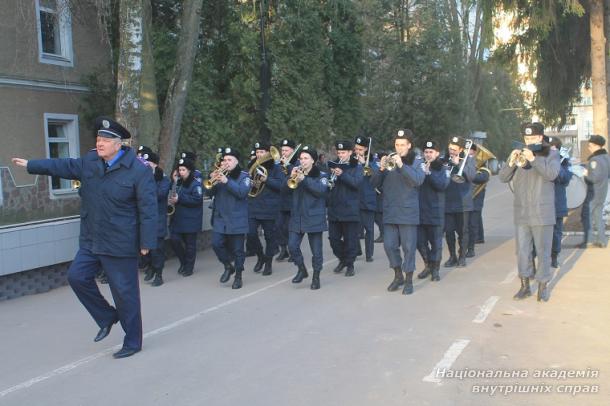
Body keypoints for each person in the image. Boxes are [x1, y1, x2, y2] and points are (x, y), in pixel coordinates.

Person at [12, 116, 157, 359]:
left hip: (120, 242)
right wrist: (31, 165)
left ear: (118, 144)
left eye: (105, 140)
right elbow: (64, 166)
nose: (99, 143)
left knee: (125, 293)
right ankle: (107, 316)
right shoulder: (90, 161)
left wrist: (146, 242)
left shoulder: (138, 172)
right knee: (77, 277)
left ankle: (132, 341)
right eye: (98, 139)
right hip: (92, 238)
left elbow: (149, 209)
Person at [499, 122, 560, 302]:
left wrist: (534, 159)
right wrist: (511, 162)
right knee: (523, 252)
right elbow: (503, 177)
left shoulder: (551, 154)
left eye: (533, 138)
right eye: (526, 138)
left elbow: (552, 175)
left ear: (540, 138)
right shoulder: (520, 155)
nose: (529, 141)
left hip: (542, 212)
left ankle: (542, 286)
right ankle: (525, 286)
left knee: (543, 252)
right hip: (522, 213)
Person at [371, 129, 425, 295]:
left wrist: (402, 166)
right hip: (390, 211)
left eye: (402, 145)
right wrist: (380, 169)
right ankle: (398, 275)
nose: (399, 148)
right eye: (397, 144)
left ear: (409, 145)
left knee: (409, 248)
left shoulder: (417, 161)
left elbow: (417, 180)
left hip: (408, 212)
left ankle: (409, 280)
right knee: (389, 246)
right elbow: (374, 184)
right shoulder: (389, 160)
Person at [207, 147, 250, 289]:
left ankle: (238, 276)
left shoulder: (244, 176)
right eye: (224, 160)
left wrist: (226, 181)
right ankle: (227, 265)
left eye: (229, 160)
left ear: (236, 162)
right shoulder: (220, 175)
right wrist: (211, 179)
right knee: (216, 244)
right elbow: (209, 191)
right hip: (220, 218)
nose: (226, 163)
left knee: (238, 250)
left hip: (237, 219)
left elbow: (242, 193)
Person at [287, 146, 329, 290]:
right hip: (297, 216)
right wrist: (290, 177)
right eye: (301, 158)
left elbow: (320, 191)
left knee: (316, 251)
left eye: (306, 158)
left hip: (314, 217)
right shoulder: (296, 173)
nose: (302, 161)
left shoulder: (322, 175)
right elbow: (284, 190)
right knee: (292, 246)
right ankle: (301, 269)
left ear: (313, 160)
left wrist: (304, 179)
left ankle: (316, 276)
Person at [247, 141, 284, 275]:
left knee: (270, 237)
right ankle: (260, 256)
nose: (259, 154)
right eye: (257, 152)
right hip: (253, 206)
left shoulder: (276, 167)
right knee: (250, 234)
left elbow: (281, 186)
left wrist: (266, 179)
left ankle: (268, 262)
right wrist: (249, 183)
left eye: (262, 152)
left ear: (268, 153)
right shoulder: (252, 166)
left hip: (269, 208)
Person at [328, 140, 363, 276]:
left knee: (350, 240)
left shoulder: (357, 167)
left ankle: (350, 264)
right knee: (333, 240)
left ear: (350, 152)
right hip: (334, 209)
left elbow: (356, 184)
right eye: (339, 152)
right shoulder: (332, 166)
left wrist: (342, 174)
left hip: (350, 209)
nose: (341, 155)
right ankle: (342, 259)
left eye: (343, 152)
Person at [417, 140, 450, 281]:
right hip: (420, 211)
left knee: (436, 243)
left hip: (435, 211)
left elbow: (442, 185)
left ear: (437, 153)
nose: (428, 154)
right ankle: (428, 265)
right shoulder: (419, 166)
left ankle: (435, 269)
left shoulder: (444, 168)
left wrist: (429, 174)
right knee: (420, 242)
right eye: (426, 152)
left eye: (431, 152)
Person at [443, 136, 476, 267]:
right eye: (450, 148)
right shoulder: (445, 160)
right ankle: (452, 256)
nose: (451, 151)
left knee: (463, 231)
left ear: (461, 149)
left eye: (454, 149)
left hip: (463, 202)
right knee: (449, 232)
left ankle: (462, 256)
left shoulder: (468, 160)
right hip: (448, 201)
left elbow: (471, 176)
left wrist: (458, 164)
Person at [169, 158, 204, 277]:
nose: (181, 172)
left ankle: (189, 267)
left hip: (190, 220)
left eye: (183, 170)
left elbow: (197, 200)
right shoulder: (178, 183)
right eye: (179, 170)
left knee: (190, 245)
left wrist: (180, 199)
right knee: (174, 240)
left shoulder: (196, 184)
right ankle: (183, 262)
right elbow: (173, 195)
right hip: (178, 219)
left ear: (189, 171)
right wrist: (174, 182)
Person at [141, 150, 171, 286]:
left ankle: (159, 274)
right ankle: (151, 267)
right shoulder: (140, 178)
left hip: (158, 218)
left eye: (148, 164)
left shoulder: (163, 179)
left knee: (157, 249)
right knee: (145, 248)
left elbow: (159, 194)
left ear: (155, 165)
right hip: (143, 219)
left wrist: (149, 177)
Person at [581, 135, 609, 248]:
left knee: (586, 215)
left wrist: (586, 175)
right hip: (603, 191)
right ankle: (602, 240)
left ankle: (589, 240)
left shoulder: (594, 160)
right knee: (598, 216)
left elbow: (594, 177)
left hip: (593, 192)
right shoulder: (607, 157)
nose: (589, 148)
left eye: (590, 146)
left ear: (597, 146)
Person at [548, 137, 572, 267]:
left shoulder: (564, 161)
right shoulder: (542, 159)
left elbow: (566, 178)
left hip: (558, 203)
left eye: (553, 148)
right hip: (542, 204)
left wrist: (557, 165)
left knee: (556, 233)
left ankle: (554, 256)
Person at [354, 136, 378, 262]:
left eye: (361, 149)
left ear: (366, 150)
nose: (357, 152)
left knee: (369, 228)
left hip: (368, 199)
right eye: (356, 149)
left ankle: (369, 254)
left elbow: (376, 174)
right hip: (354, 199)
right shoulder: (351, 160)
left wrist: (364, 163)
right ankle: (357, 249)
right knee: (355, 228)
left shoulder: (373, 160)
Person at [466, 144, 491, 257]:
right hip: (468, 196)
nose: (468, 153)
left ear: (475, 152)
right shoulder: (465, 163)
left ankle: (474, 241)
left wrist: (470, 173)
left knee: (474, 220)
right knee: (474, 218)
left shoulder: (482, 167)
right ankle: (479, 237)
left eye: (470, 151)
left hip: (477, 196)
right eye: (467, 150)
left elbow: (482, 178)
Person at [276, 139, 299, 262]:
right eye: (282, 150)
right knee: (279, 226)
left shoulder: (298, 162)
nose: (283, 152)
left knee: (289, 227)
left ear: (292, 150)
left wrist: (288, 166)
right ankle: (283, 249)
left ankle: (292, 251)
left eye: (286, 150)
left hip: (293, 200)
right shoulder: (279, 163)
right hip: (281, 199)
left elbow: (296, 175)